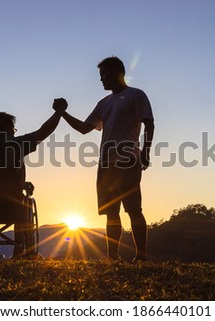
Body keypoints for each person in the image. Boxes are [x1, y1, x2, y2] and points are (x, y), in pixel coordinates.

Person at [59, 56, 154, 262]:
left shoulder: (136, 95)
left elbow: (149, 124)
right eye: (100, 76)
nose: (101, 79)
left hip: (128, 160)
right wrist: (62, 113)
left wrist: (146, 152)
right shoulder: (104, 102)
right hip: (106, 164)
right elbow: (84, 128)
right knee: (111, 213)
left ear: (117, 73)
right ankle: (113, 256)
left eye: (104, 75)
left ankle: (141, 256)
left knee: (134, 209)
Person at [0, 100, 67, 259]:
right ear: (9, 129)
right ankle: (21, 251)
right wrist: (59, 112)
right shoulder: (16, 144)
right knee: (22, 204)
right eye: (13, 129)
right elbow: (44, 131)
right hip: (10, 204)